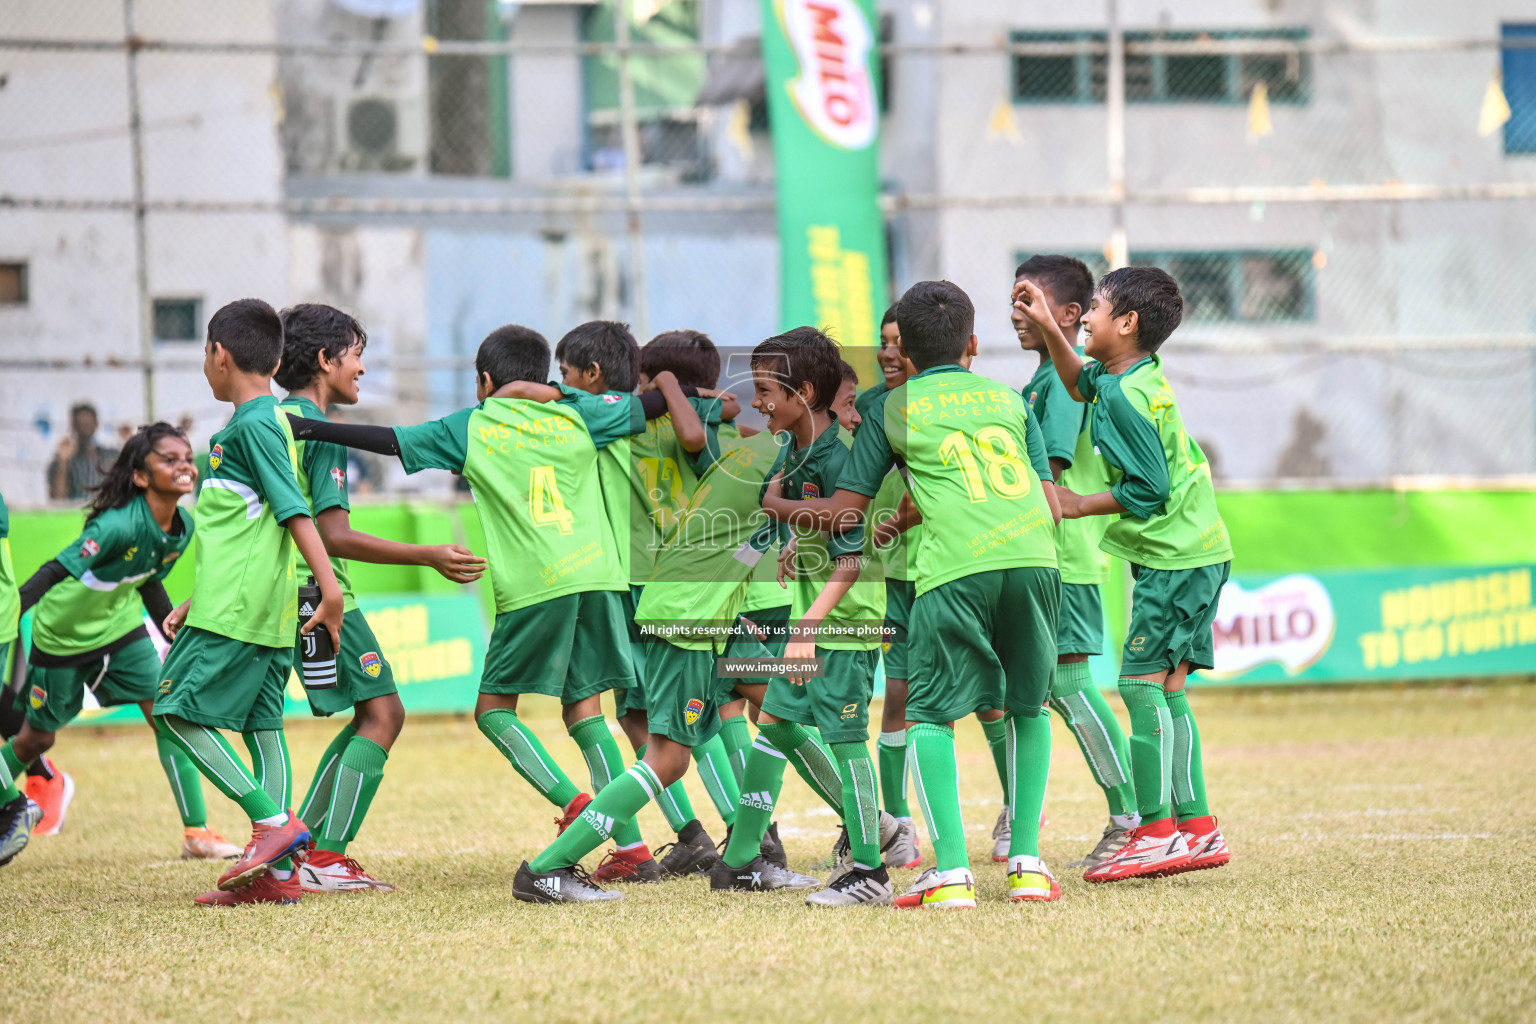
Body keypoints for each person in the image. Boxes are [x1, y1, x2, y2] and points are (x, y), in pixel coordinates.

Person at [285, 325, 679, 884]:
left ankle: (578, 810)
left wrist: (309, 428)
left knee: (493, 712)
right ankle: (634, 850)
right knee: (585, 709)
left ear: (484, 381)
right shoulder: (580, 411)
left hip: (537, 583)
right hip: (600, 576)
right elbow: (655, 403)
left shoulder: (473, 423)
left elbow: (392, 439)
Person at [510, 335, 856, 904]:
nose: (755, 402)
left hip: (701, 612)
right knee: (668, 758)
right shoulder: (787, 453)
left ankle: (746, 860)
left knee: (776, 711)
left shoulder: (770, 452)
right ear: (818, 397)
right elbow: (843, 514)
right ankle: (549, 867)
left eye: (765, 391)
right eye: (848, 406)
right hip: (690, 615)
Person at [761, 281, 1064, 910]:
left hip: (954, 569)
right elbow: (1051, 505)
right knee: (1028, 709)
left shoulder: (889, 410)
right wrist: (909, 517)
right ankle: (1029, 865)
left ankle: (951, 874)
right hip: (1036, 557)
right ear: (973, 343)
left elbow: (845, 514)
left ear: (904, 353)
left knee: (928, 715)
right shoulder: (1010, 399)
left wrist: (787, 511)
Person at [487, 321, 730, 883]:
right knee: (677, 715)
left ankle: (732, 839)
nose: (561, 384)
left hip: (637, 588)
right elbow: (721, 416)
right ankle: (703, 838)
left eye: (568, 375)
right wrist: (689, 393)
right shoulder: (686, 417)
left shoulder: (599, 425)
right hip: (689, 585)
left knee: (667, 723)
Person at [1014, 265, 1233, 882]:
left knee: (1139, 685)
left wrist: (1078, 502)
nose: (1084, 317)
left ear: (1128, 323)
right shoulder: (1126, 375)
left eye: (1096, 308)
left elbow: (1150, 488)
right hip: (1194, 552)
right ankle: (1196, 827)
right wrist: (1048, 326)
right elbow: (1081, 382)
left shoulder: (1130, 395)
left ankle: (1154, 831)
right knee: (1167, 690)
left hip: (1176, 556)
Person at [274, 303, 486, 893]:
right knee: (385, 713)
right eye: (357, 355)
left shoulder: (273, 418)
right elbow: (334, 534)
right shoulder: (317, 430)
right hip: (317, 589)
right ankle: (326, 858)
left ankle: (302, 847)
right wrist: (429, 555)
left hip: (286, 589)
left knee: (372, 712)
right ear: (325, 359)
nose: (362, 369)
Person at [151, 298, 343, 907]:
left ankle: (271, 822)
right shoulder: (268, 422)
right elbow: (246, 528)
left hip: (236, 611)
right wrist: (191, 596)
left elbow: (292, 511)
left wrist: (331, 588)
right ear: (279, 357)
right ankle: (276, 876)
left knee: (174, 711)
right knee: (262, 726)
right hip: (259, 604)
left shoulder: (253, 424)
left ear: (218, 354)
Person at [0, 424, 246, 867]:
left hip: (121, 630)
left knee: (167, 715)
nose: (184, 466)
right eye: (168, 459)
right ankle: (9, 804)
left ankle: (197, 833)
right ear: (140, 476)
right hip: (63, 637)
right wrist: (13, 611)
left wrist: (172, 633)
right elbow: (53, 571)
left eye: (187, 458)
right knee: (35, 739)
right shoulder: (115, 525)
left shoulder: (183, 527)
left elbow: (148, 583)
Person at [1012, 255, 1141, 871]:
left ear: (1067, 314)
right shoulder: (1040, 381)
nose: (1018, 312)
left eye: (1029, 299)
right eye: (1013, 299)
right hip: (1045, 555)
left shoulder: (1065, 384)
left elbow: (1049, 477)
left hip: (1062, 557)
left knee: (1067, 683)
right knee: (1034, 690)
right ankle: (1021, 811)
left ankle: (1132, 814)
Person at [859, 307, 924, 869]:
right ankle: (898, 822)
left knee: (992, 702)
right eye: (882, 342)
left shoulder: (940, 404)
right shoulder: (869, 408)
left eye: (899, 342)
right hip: (888, 572)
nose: (887, 353)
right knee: (897, 694)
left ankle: (1012, 816)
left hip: (944, 567)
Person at [48, 403, 120, 501]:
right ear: (73, 426)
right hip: (76, 514)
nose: (84, 430)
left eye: (87, 425)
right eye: (79, 425)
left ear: (96, 424)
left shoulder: (112, 456)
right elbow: (57, 499)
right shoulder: (62, 461)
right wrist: (63, 462)